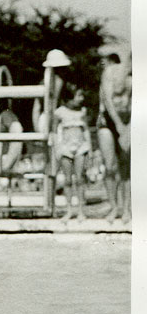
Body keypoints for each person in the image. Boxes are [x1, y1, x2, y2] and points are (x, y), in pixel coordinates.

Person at [96, 44, 131, 223]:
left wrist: (129, 128)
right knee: (110, 166)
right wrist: (119, 125)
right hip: (108, 121)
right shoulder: (111, 72)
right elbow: (108, 101)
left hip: (128, 121)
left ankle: (126, 209)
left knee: (126, 167)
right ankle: (114, 206)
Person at [54, 84, 92, 221]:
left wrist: (90, 149)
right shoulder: (60, 112)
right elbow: (55, 132)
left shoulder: (82, 111)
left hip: (80, 146)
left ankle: (81, 210)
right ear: (69, 98)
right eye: (78, 96)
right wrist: (57, 149)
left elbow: (86, 130)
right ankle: (69, 210)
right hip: (65, 147)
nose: (81, 99)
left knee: (80, 178)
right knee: (68, 179)